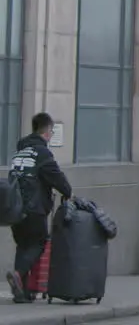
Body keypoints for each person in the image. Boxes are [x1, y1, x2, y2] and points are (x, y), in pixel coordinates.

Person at [6, 113, 72, 303]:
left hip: (15, 207)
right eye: (51, 131)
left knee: (23, 245)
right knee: (39, 242)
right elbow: (56, 177)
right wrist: (68, 191)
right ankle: (18, 275)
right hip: (34, 207)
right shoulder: (42, 153)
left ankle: (22, 293)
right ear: (48, 132)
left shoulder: (20, 151)